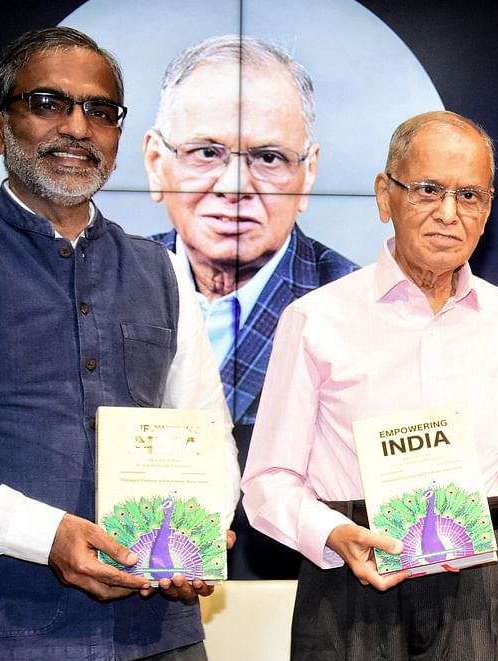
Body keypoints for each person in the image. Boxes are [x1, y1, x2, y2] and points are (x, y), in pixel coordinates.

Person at [0, 27, 238, 661]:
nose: (79, 128)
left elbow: (206, 432)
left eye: (100, 111)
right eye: (50, 103)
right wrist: (44, 535)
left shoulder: (164, 271)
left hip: (160, 642)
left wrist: (197, 533)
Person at [241, 111, 498, 661]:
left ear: (488, 207)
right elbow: (267, 480)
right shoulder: (315, 319)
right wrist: (331, 535)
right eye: (428, 190)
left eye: (468, 195)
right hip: (351, 571)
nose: (449, 214)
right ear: (384, 195)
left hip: (479, 582)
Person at [143, 35, 356, 579]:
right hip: (131, 601)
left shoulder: (354, 303)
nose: (235, 186)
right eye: (206, 152)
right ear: (154, 163)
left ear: (308, 175)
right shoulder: (107, 285)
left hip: (305, 599)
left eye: (268, 158)